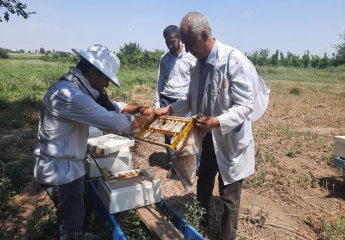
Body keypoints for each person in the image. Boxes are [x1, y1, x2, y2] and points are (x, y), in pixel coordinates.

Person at [33, 44, 155, 240]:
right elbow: (111, 120)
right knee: (71, 223)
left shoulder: (76, 87)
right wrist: (144, 120)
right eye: (106, 78)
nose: (106, 85)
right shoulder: (69, 95)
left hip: (66, 166)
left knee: (77, 212)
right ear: (92, 73)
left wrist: (139, 108)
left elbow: (113, 107)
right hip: (61, 172)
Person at [156, 12, 259, 240]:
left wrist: (217, 121)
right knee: (204, 179)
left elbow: (245, 106)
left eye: (190, 43)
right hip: (209, 137)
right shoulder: (198, 65)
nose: (188, 49)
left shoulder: (234, 61)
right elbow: (191, 99)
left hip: (229, 138)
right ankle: (200, 222)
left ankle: (225, 236)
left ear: (204, 35)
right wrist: (168, 109)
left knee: (229, 194)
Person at [154, 25, 196, 166]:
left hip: (183, 100)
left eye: (173, 41)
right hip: (167, 98)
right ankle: (173, 162)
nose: (170, 45)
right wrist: (157, 102)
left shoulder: (191, 58)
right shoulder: (164, 59)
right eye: (167, 42)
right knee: (168, 132)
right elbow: (159, 81)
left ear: (180, 39)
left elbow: (195, 82)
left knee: (185, 133)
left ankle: (186, 163)